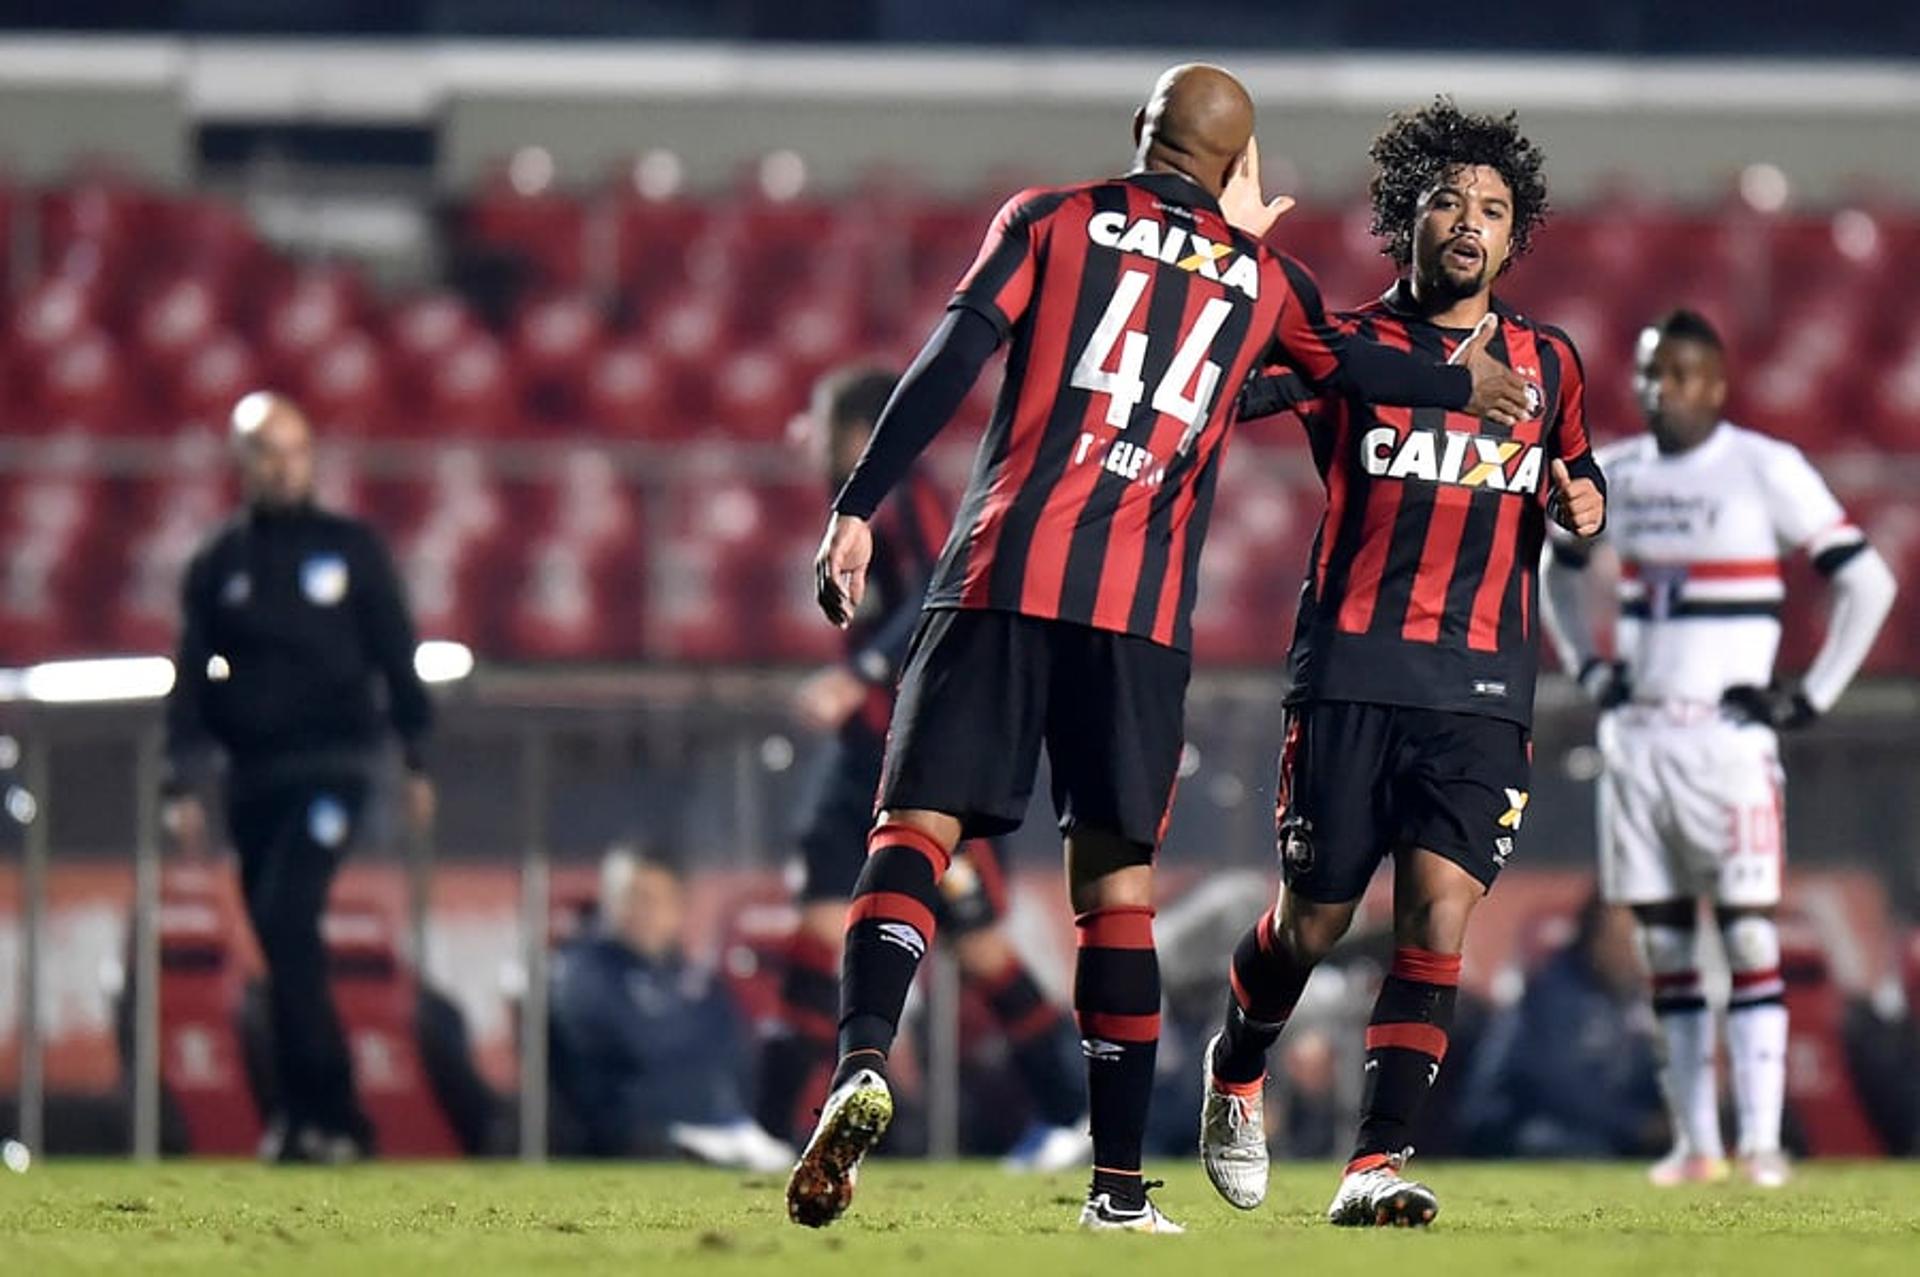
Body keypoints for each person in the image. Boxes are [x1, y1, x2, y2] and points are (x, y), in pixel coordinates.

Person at [792, 64, 1531, 1234]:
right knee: (1117, 893)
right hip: (1135, 624)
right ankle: (1119, 1189)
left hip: (996, 577)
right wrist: (1463, 380)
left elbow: (948, 361)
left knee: (913, 832)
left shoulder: (1051, 217)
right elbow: (1356, 362)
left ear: (1141, 133)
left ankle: (863, 1059)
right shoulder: (1263, 278)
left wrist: (856, 504)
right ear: (1241, 167)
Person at [1197, 97, 1607, 1227]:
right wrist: (1230, 260)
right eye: (1446, 202)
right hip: (1349, 677)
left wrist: (1584, 501)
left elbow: (1582, 482)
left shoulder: (1550, 360)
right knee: (1312, 923)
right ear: (1405, 221)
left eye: (1493, 208)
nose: (1470, 221)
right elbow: (1223, 394)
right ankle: (1237, 1067)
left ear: (1516, 237)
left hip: (1480, 691)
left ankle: (1372, 1163)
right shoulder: (1350, 347)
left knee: (1438, 914)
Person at [1540, 308, 1896, 1188]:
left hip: (1728, 745)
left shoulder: (1764, 469)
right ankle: (1697, 1143)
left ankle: (1764, 1143)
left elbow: (1868, 579)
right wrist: (1588, 667)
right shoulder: (1614, 472)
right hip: (1640, 740)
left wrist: (1809, 695)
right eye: (1655, 373)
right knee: (1664, 944)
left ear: (1720, 382)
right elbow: (1556, 567)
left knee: (1746, 936)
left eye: (1687, 373)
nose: (1668, 389)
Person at [757, 366, 1089, 1172]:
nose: (812, 438)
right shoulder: (871, 501)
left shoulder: (910, 495)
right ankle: (767, 1125)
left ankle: (1072, 1110)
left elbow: (949, 574)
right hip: (863, 756)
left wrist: (863, 669)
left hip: (927, 749)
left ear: (857, 433)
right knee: (813, 923)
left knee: (979, 950)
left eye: (824, 422)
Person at [162, 391, 437, 1163]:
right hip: (253, 779)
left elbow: (396, 653)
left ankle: (330, 1109)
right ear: (242, 463)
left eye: (293, 449)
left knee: (286, 918)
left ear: (311, 457)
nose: (282, 465)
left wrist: (416, 754)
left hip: (334, 771)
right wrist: (180, 780)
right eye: (266, 451)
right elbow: (188, 676)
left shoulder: (352, 549)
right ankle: (308, 1120)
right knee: (285, 942)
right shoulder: (219, 563)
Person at [548, 847, 792, 1170]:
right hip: (634, 1135)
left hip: (726, 1129)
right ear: (609, 902)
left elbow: (735, 1053)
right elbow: (629, 1042)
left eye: (654, 900)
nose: (642, 911)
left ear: (678, 909)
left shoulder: (694, 979)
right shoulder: (583, 971)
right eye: (631, 897)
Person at [1458, 896, 1667, 1159]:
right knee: (1585, 1147)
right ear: (1591, 938)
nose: (1626, 953)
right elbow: (1558, 1085)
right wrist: (1637, 1126)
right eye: (1616, 940)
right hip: (1513, 1124)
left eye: (1637, 942)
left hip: (1593, 1128)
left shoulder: (1636, 1000)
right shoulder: (1555, 992)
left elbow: (1649, 1075)